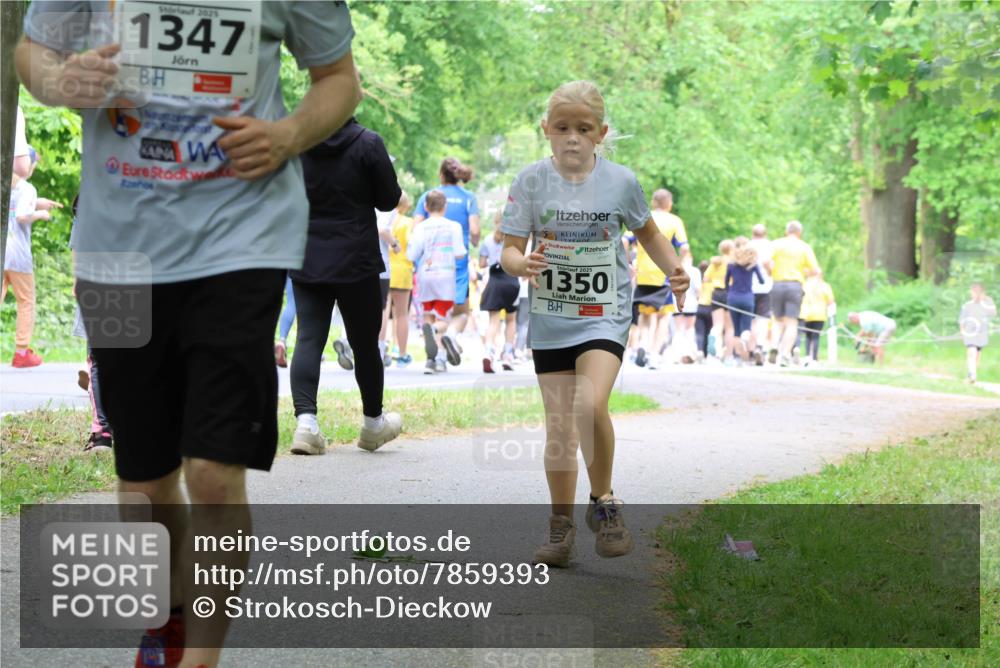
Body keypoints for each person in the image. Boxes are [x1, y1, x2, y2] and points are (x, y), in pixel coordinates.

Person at [17, 3, 361, 667]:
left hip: (244, 240)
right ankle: (167, 615)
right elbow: (32, 53)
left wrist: (288, 134)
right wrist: (60, 82)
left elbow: (339, 78)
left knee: (211, 469)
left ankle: (200, 659)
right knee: (144, 480)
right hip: (115, 254)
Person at [500, 80, 689, 568]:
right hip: (550, 316)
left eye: (583, 128)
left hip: (604, 313)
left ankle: (604, 503)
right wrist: (521, 265)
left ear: (600, 133)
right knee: (561, 428)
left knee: (591, 402)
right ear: (546, 130)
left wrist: (675, 270)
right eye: (562, 127)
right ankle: (560, 529)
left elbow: (648, 231)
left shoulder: (621, 182)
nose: (572, 138)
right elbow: (509, 249)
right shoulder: (529, 182)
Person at [290, 117, 404, 455]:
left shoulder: (297, 140)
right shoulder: (368, 143)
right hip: (356, 257)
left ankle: (306, 425)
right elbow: (388, 200)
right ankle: (373, 424)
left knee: (309, 337)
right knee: (365, 343)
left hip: (307, 252)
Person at [3, 148, 62, 368]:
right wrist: (41, 214)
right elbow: (20, 215)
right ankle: (21, 352)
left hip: (2, 252)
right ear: (28, 165)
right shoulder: (27, 188)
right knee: (26, 301)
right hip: (18, 254)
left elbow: (12, 206)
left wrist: (38, 202)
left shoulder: (5, 185)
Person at [413, 158, 481, 344]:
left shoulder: (428, 196)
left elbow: (416, 228)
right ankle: (450, 334)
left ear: (441, 175)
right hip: (456, 265)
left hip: (428, 265)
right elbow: (475, 232)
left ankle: (434, 359)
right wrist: (474, 241)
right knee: (459, 313)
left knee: (431, 312)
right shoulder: (468, 198)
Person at [408, 190, 467, 374]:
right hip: (445, 277)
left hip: (425, 276)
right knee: (443, 319)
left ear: (426, 207)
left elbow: (412, 254)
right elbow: (459, 253)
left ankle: (431, 361)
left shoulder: (420, 227)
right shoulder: (454, 226)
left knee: (427, 316)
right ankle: (436, 347)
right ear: (445, 207)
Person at [631, 188, 688, 369]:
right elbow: (684, 247)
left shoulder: (643, 217)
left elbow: (625, 240)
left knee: (645, 313)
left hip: (643, 274)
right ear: (669, 204)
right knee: (664, 316)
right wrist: (680, 267)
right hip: (664, 274)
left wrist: (629, 263)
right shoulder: (674, 221)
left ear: (654, 202)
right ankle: (654, 354)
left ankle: (641, 345)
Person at [770, 220, 819, 366]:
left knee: (777, 321)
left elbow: (766, 261)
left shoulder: (776, 244)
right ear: (799, 233)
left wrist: (770, 271)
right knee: (791, 322)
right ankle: (785, 354)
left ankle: (773, 346)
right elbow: (815, 270)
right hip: (794, 286)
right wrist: (804, 272)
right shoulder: (804, 247)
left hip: (777, 283)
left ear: (786, 231)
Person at [479, 213, 519, 372]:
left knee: (493, 321)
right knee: (511, 320)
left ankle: (488, 352)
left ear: (495, 222)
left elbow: (482, 263)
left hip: (495, 282)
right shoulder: (515, 239)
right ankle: (508, 355)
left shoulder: (488, 240)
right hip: (512, 281)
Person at [387, 192, 415, 367]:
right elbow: (412, 246)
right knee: (402, 314)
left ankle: (381, 348)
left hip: (384, 268)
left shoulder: (383, 220)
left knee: (383, 312)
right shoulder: (408, 223)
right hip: (403, 269)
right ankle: (402, 354)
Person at [724, 242, 762, 363]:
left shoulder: (731, 266)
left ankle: (738, 357)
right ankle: (745, 342)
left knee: (736, 329)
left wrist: (729, 291)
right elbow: (761, 281)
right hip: (748, 298)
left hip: (733, 298)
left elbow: (725, 282)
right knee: (746, 327)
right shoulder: (753, 266)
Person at [747, 224, 774, 365]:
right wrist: (770, 273)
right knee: (763, 318)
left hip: (748, 286)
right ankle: (760, 346)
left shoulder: (748, 245)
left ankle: (750, 351)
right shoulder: (769, 246)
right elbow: (769, 264)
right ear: (765, 233)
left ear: (753, 233)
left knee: (751, 320)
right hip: (765, 286)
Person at [959, 282, 996, 384]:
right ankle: (972, 375)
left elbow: (993, 313)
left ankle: (971, 374)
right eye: (973, 292)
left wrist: (988, 300)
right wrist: (962, 332)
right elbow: (962, 320)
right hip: (970, 334)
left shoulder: (986, 304)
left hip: (981, 335)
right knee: (972, 353)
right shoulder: (967, 305)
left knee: (976, 356)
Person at [702, 241, 732, 359]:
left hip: (717, 293)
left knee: (717, 325)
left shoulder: (716, 262)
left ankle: (714, 349)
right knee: (729, 327)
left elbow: (705, 278)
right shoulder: (733, 262)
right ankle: (728, 355)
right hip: (729, 292)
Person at [800, 270, 835, 365]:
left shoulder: (805, 285)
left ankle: (807, 356)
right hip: (819, 313)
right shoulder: (824, 286)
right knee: (816, 336)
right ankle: (814, 359)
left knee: (807, 336)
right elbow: (831, 300)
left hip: (806, 313)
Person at [675, 248, 701, 363]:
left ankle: (677, 354)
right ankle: (689, 352)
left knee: (678, 329)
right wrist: (698, 298)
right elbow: (698, 289)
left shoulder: (675, 270)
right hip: (691, 303)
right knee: (690, 328)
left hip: (677, 302)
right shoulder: (695, 271)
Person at [274, 276, 296, 368]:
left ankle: (282, 340)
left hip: (291, 264)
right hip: (312, 268)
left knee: (291, 302)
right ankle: (310, 349)